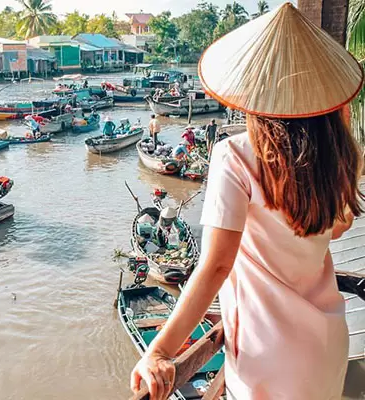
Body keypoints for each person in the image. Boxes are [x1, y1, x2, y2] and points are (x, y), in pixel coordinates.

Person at [130, 4, 364, 400]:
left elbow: (217, 265)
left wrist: (160, 351)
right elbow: (337, 226)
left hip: (266, 356)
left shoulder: (234, 155)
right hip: (325, 344)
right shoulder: (340, 155)